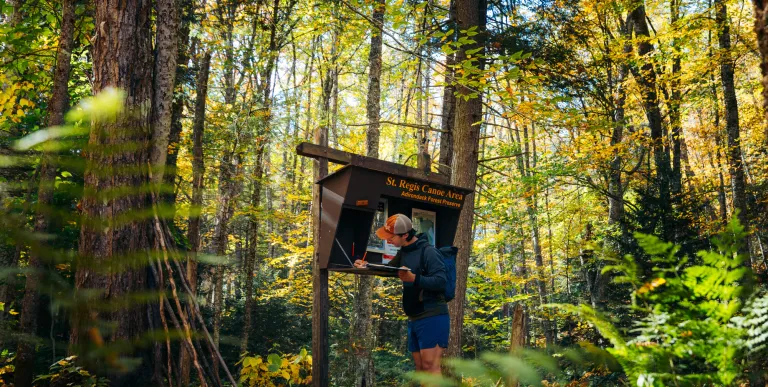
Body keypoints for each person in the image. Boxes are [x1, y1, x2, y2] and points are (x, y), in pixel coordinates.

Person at [354, 213, 448, 375]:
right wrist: (367, 265)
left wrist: (414, 278)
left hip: (433, 315)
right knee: (420, 368)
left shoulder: (429, 252)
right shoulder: (404, 251)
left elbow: (441, 281)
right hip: (414, 316)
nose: (387, 240)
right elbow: (390, 269)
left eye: (391, 237)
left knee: (431, 368)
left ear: (405, 235)